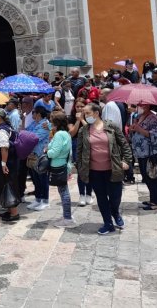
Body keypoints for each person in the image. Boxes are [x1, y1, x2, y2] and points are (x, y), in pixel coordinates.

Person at [77, 103, 132, 234]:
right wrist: (80, 167)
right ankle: (108, 223)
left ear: (96, 113)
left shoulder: (111, 127)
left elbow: (124, 144)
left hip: (113, 169)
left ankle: (115, 214)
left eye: (88, 113)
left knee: (115, 197)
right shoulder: (83, 131)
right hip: (94, 171)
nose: (85, 116)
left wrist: (126, 161)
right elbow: (79, 151)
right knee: (101, 198)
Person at [0, 108, 20, 221]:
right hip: (8, 162)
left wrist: (3, 163)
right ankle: (9, 210)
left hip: (5, 163)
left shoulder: (2, 130)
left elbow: (4, 147)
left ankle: (14, 213)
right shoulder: (7, 127)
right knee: (4, 185)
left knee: (8, 185)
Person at [130, 104, 157, 210]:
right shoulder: (138, 116)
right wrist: (133, 128)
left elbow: (156, 134)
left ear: (148, 105)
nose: (140, 106)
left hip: (152, 152)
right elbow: (137, 129)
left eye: (142, 105)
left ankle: (156, 202)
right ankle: (153, 198)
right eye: (139, 104)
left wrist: (139, 129)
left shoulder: (154, 118)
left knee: (152, 176)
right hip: (141, 152)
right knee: (146, 175)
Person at [47, 112, 75, 228]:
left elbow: (54, 152)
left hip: (59, 165)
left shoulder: (59, 135)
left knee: (64, 192)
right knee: (64, 191)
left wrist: (46, 151)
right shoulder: (66, 134)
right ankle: (66, 216)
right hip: (64, 164)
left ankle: (67, 218)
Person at [68, 98, 93, 206]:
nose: (79, 108)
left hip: (89, 144)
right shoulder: (71, 118)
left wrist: (83, 119)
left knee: (90, 170)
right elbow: (72, 133)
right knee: (80, 171)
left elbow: (91, 131)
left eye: (81, 106)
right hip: (76, 144)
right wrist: (78, 120)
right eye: (77, 106)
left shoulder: (90, 117)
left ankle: (89, 194)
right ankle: (82, 194)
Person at [25, 106, 51, 211]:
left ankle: (45, 200)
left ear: (39, 114)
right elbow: (25, 132)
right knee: (35, 179)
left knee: (42, 179)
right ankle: (38, 199)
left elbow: (34, 138)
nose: (32, 115)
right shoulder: (35, 123)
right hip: (32, 155)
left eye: (34, 113)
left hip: (40, 155)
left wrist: (26, 136)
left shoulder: (45, 125)